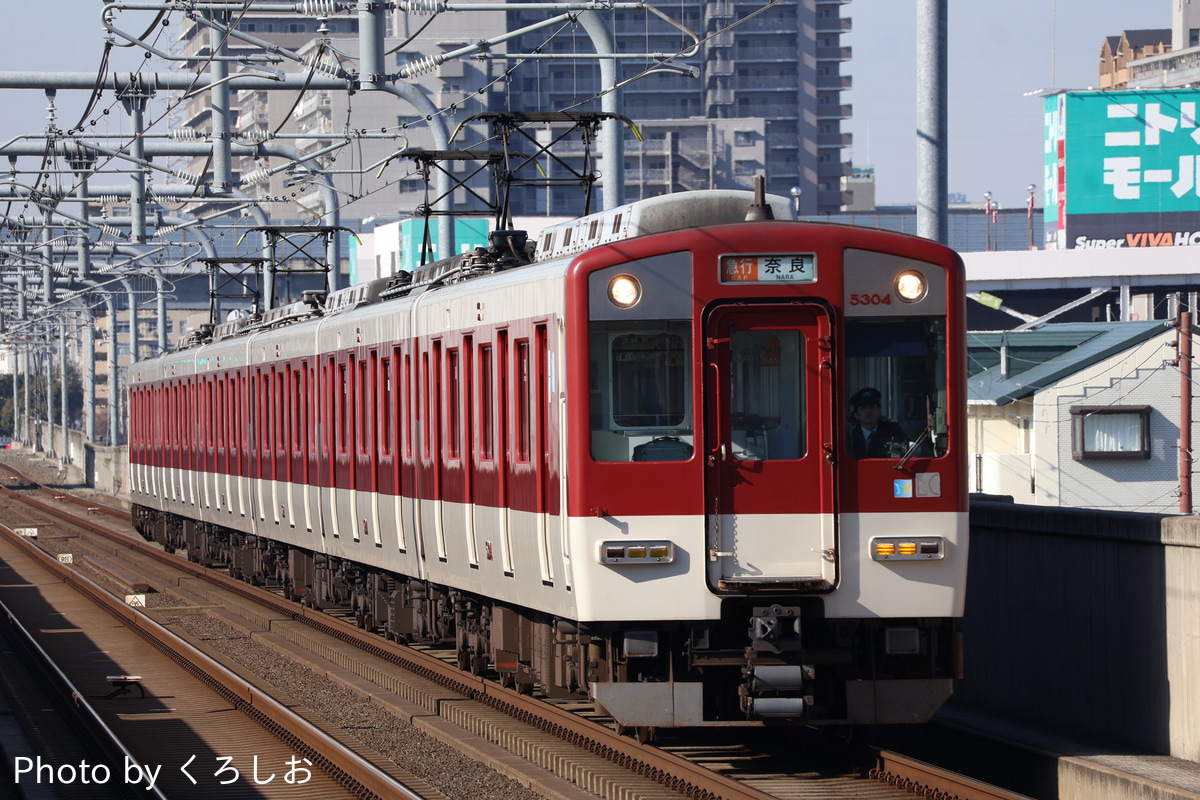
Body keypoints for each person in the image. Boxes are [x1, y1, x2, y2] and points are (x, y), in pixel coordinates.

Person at [847, 387, 907, 458]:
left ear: (879, 410)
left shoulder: (892, 429)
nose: (868, 411)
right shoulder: (851, 435)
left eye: (872, 407)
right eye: (863, 408)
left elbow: (909, 448)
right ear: (856, 414)